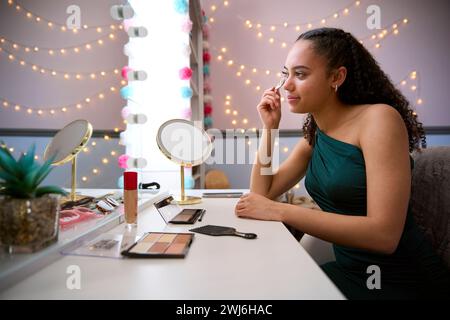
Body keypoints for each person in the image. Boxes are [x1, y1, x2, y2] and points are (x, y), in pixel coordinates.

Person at [235, 27, 450, 300]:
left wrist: (280, 211)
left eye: (300, 74)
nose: (286, 85)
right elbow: (261, 194)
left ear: (337, 77)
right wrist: (269, 130)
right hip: (349, 270)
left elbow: (384, 236)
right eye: (285, 74)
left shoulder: (379, 119)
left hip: (398, 280)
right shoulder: (316, 132)